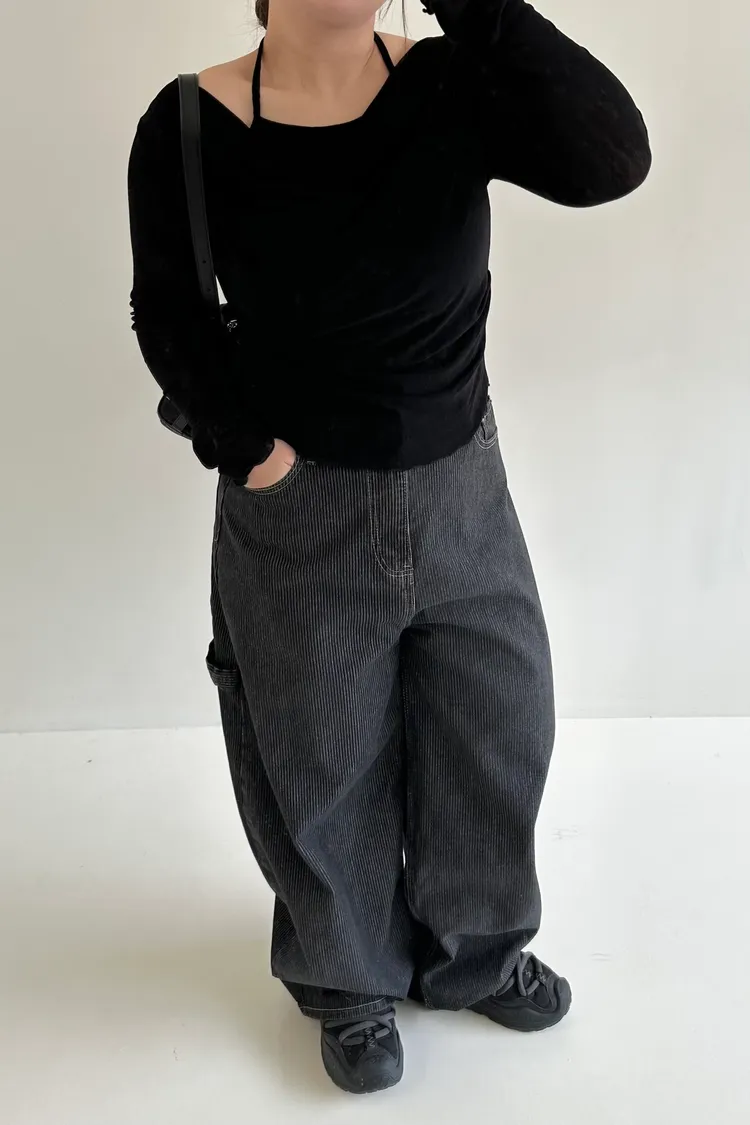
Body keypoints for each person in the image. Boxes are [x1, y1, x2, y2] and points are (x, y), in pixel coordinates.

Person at [127, 0, 650, 1095]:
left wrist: (482, 8)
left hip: (462, 483)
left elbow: (612, 160)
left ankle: (477, 953)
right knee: (318, 752)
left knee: (496, 724)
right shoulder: (186, 124)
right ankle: (347, 975)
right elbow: (169, 313)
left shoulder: (453, 83)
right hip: (299, 507)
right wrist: (249, 453)